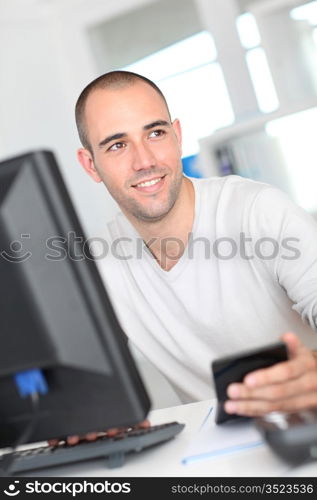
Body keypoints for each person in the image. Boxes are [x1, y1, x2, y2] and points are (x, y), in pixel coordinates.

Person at [75, 70, 317, 420]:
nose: (144, 161)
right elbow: (84, 380)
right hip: (218, 455)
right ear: (89, 164)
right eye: (117, 145)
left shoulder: (257, 210)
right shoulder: (100, 264)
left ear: (178, 136)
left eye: (155, 133)